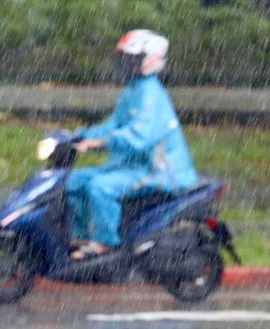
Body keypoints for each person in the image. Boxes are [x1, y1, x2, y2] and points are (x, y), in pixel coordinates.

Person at [66, 30, 198, 260]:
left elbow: (137, 136)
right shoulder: (134, 89)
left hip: (158, 170)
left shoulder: (151, 94)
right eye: (124, 59)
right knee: (72, 182)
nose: (124, 64)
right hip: (131, 166)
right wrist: (78, 136)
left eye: (131, 59)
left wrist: (100, 143)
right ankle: (80, 237)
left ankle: (105, 245)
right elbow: (114, 125)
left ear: (148, 60)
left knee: (101, 187)